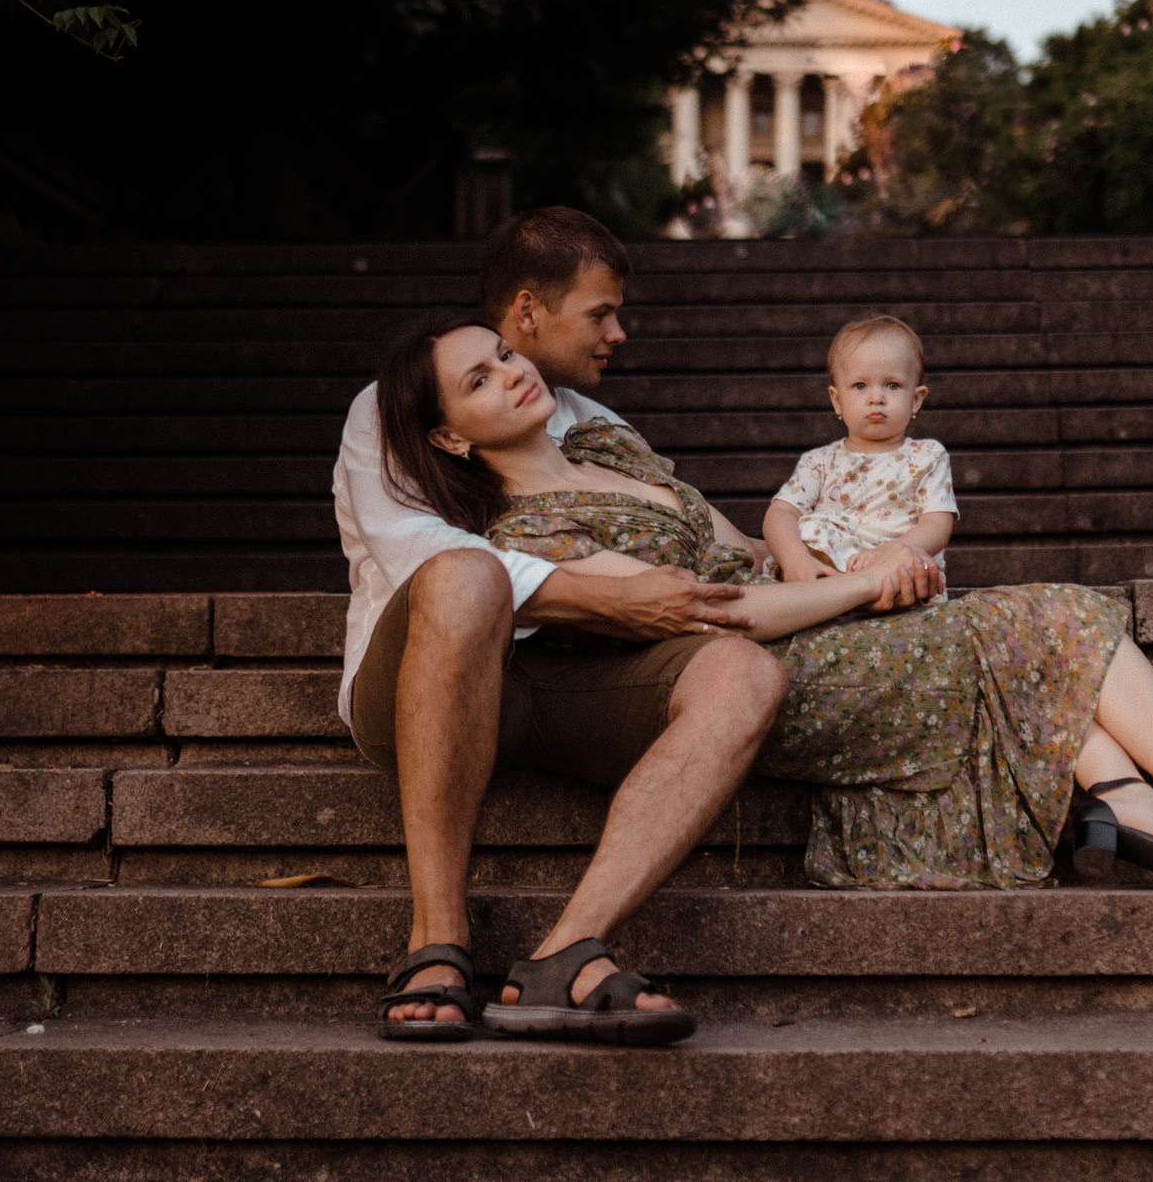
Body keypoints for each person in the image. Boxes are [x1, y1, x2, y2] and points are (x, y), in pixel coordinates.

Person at [380, 311, 1153, 900]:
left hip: (811, 607)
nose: (512, 371)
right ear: (450, 437)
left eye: (505, 352)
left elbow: (746, 544)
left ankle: (1146, 802)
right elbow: (710, 613)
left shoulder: (611, 451)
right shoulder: (518, 528)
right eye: (479, 379)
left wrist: (828, 554)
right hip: (758, 665)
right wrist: (857, 581)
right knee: (1038, 614)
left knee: (1005, 620)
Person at [331, 208, 941, 1047]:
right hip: (431, 676)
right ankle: (439, 939)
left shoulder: (591, 423)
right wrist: (611, 598)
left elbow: (706, 537)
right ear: (528, 308)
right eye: (600, 312)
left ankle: (565, 952)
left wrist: (823, 563)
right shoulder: (391, 407)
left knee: (743, 671)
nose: (619, 332)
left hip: (575, 676)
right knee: (468, 576)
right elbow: (422, 559)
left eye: (502, 361)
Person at [763, 314, 957, 589]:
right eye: (860, 385)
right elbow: (779, 513)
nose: (876, 397)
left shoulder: (927, 456)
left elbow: (937, 524)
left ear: (915, 400)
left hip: (893, 569)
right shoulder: (819, 462)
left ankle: (862, 593)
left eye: (892, 385)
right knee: (805, 531)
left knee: (914, 566)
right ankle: (820, 584)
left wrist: (891, 552)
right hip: (827, 565)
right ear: (837, 400)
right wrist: (794, 558)